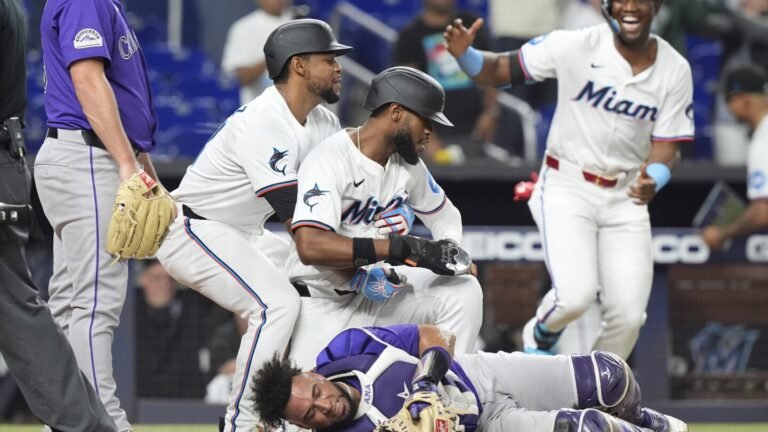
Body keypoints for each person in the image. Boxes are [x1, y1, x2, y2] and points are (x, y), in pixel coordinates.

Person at [444, 0, 695, 359]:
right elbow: (502, 68)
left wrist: (654, 177)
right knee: (574, 297)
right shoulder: (577, 44)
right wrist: (466, 56)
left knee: (628, 316)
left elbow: (669, 145)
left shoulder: (674, 68)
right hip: (568, 184)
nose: (629, 7)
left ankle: (596, 392)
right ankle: (540, 333)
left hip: (627, 195)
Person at [154, 19, 352, 432]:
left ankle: (293, 413)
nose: (338, 67)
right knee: (275, 303)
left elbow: (342, 201)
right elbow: (299, 218)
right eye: (328, 58)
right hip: (194, 229)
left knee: (322, 295)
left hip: (246, 235)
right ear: (298, 65)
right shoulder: (266, 119)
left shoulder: (324, 124)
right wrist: (363, 256)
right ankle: (241, 422)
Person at [286, 66, 483, 370]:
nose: (430, 130)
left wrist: (448, 250)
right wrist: (396, 251)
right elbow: (311, 247)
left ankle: (443, 393)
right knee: (304, 413)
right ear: (395, 112)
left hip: (379, 296)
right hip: (322, 301)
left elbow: (445, 214)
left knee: (464, 291)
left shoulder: (407, 164)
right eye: (425, 119)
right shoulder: (330, 159)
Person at [35, 0, 166, 429]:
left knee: (70, 307)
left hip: (83, 154)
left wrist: (141, 167)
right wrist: (127, 165)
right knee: (95, 306)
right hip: (88, 158)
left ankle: (66, 420)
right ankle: (103, 422)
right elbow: (88, 80)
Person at [0, 0, 116, 430]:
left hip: (15, 157)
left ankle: (88, 424)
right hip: (14, 158)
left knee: (23, 310)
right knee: (23, 308)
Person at [252, 324, 688, 432]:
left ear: (312, 374)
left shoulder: (347, 349)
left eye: (315, 393)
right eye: (311, 415)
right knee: (586, 429)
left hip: (480, 375)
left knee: (610, 377)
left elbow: (435, 334)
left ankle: (650, 419)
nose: (324, 406)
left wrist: (425, 385)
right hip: (487, 426)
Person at [394, 0, 499, 164]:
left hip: (475, 134)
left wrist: (491, 112)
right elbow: (408, 92)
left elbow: (490, 70)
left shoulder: (470, 25)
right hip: (433, 138)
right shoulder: (410, 36)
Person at [701, 65, 768, 250]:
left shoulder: (764, 139)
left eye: (728, 100)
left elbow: (763, 212)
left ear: (744, 99)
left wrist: (722, 234)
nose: (728, 108)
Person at [136, 260, 213, 399]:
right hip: (138, 403)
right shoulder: (128, 315)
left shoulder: (190, 310)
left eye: (170, 279)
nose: (165, 284)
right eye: (157, 278)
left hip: (185, 403)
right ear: (143, 280)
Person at [222, 0, 293, 104]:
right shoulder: (243, 28)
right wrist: (273, 56)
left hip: (299, 112)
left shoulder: (304, 24)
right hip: (259, 111)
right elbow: (242, 78)